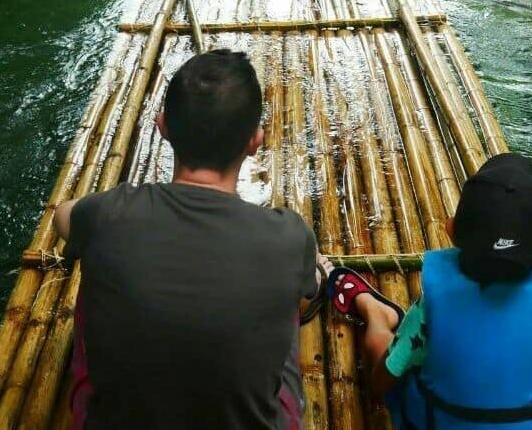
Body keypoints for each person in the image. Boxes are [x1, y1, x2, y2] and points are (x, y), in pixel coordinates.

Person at [53, 49, 330, 430]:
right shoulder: (290, 235)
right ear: (255, 141)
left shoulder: (108, 213)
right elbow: (308, 291)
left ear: (163, 126)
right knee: (287, 309)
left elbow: (63, 217)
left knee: (93, 269)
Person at [331, 154, 532, 430]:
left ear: (451, 230)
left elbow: (383, 381)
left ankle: (375, 312)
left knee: (381, 346)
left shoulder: (433, 308)